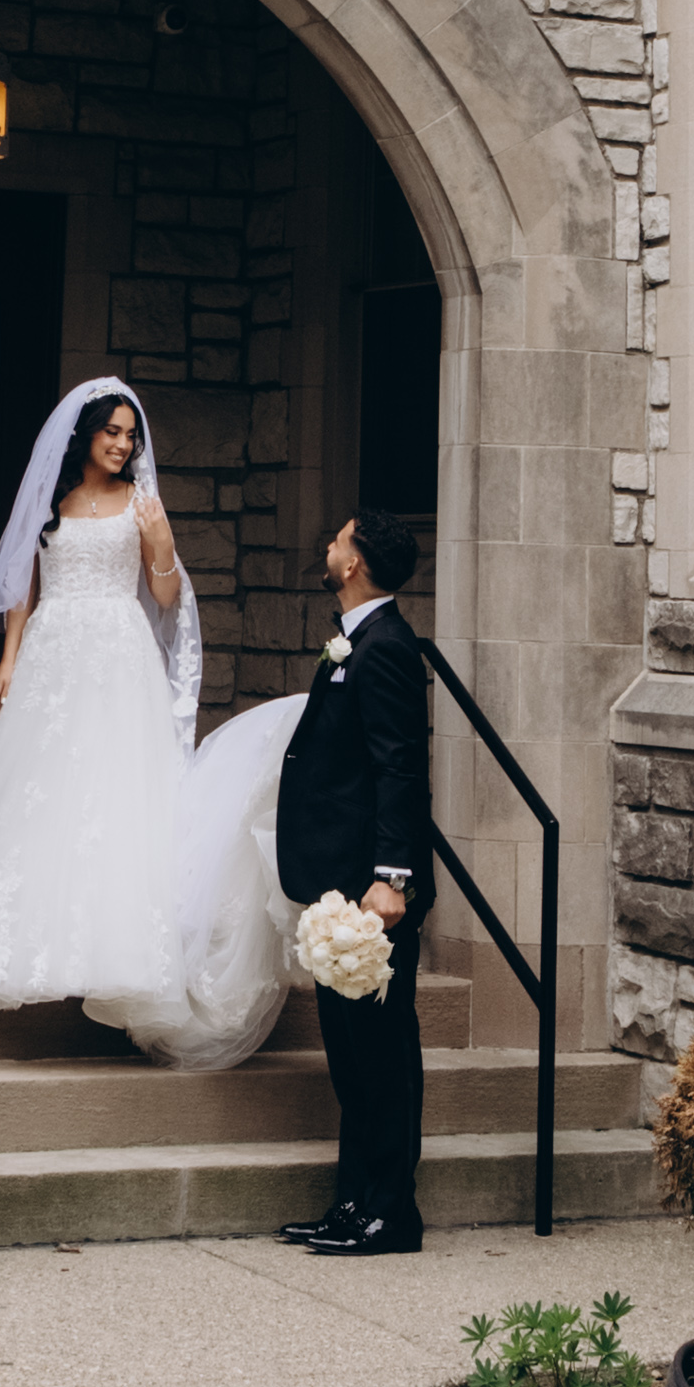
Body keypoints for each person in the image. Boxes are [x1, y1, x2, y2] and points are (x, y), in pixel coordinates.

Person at [0, 374, 303, 1068]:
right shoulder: (53, 500)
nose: (124, 444)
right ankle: (27, 942)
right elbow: (22, 586)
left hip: (120, 658)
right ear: (85, 436)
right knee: (41, 792)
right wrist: (9, 659)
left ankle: (114, 950)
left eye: (131, 435)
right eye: (112, 432)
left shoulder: (142, 503)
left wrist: (162, 544)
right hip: (53, 654)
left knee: (114, 796)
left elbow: (165, 597)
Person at [273, 502, 433, 1258]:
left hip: (374, 892)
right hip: (339, 880)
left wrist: (391, 878)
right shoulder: (356, 640)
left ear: (355, 561)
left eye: (338, 539)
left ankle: (391, 1213)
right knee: (349, 1054)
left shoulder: (388, 647)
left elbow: (401, 767)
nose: (329, 545)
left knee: (382, 1052)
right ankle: (352, 1203)